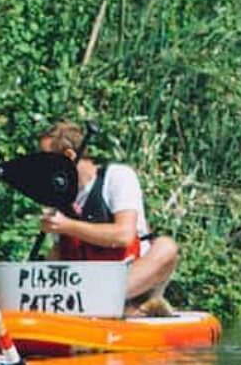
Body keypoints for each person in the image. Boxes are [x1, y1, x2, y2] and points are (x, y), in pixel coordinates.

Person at [35, 119, 180, 316]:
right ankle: (128, 310)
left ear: (69, 156)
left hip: (127, 277)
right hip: (84, 285)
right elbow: (59, 253)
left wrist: (66, 226)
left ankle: (125, 304)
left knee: (166, 247)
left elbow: (124, 235)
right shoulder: (59, 196)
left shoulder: (118, 177)